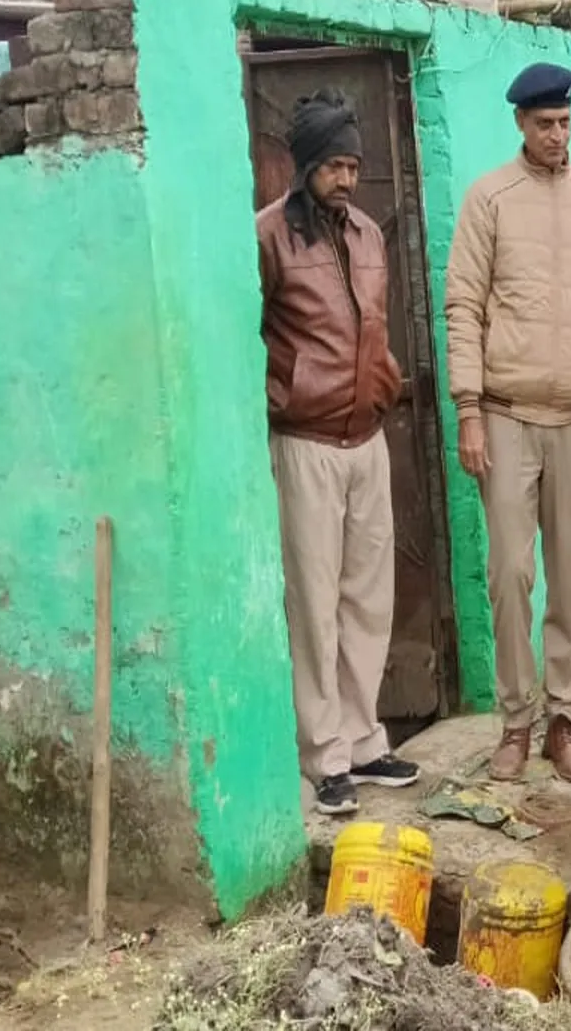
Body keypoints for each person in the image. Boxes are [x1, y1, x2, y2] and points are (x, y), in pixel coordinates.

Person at [444, 62, 571, 783]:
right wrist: (468, 410)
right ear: (520, 124)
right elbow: (461, 304)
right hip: (505, 416)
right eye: (544, 125)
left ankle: (564, 721)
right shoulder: (489, 200)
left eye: (564, 124)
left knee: (565, 576)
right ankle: (515, 722)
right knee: (510, 572)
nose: (557, 136)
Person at [257, 87, 419, 815]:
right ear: (306, 165)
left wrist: (382, 382)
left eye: (354, 164)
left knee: (366, 597)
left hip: (367, 438)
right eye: (334, 165)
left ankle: (364, 740)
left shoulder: (367, 235)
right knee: (314, 604)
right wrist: (282, 392)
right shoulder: (269, 237)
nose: (347, 178)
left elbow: (374, 325)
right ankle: (323, 758)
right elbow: (248, 333)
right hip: (307, 444)